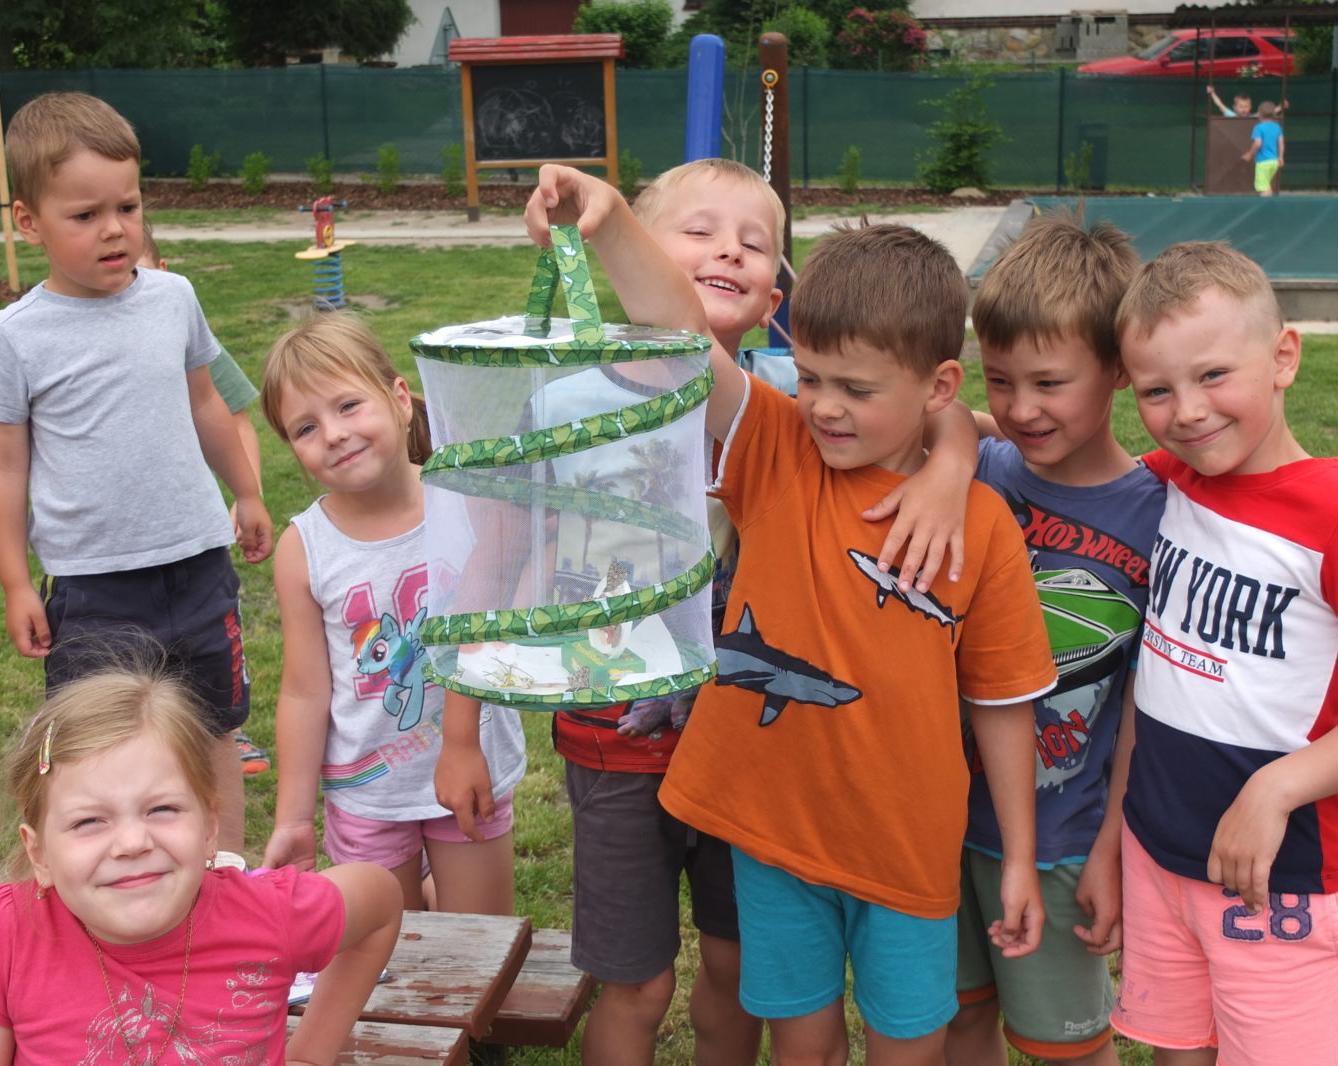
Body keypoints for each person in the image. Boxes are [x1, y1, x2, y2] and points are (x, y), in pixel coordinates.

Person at [516, 165, 1057, 1065]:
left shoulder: (982, 524)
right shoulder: (774, 448)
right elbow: (680, 335)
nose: (826, 407)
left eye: (857, 389)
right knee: (804, 1045)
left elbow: (1002, 701)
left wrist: (1021, 858)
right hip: (772, 841)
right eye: (809, 377)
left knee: (910, 1047)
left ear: (938, 387)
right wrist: (607, 221)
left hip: (907, 849)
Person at [0, 92, 271, 868]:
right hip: (94, 589)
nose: (115, 229)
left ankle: (225, 874)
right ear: (29, 223)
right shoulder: (16, 338)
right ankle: (107, 883)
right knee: (97, 748)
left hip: (198, 567)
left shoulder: (173, 298)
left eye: (128, 205)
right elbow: (9, 467)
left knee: (214, 726)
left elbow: (206, 403)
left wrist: (247, 491)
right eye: (85, 215)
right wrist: (16, 582)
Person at [940, 216, 1164, 1066]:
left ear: (1117, 368)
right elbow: (945, 417)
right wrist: (954, 449)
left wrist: (1110, 849)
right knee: (957, 1018)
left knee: (1065, 1047)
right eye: (1000, 380)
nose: (1021, 408)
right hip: (941, 820)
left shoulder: (1158, 517)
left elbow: (1145, 707)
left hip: (1065, 836)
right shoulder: (979, 470)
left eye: (1049, 382)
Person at [1111, 241, 1338, 1066]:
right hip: (1159, 851)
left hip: (1281, 877)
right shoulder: (1174, 478)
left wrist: (1279, 786)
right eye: (1157, 390)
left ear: (1283, 358)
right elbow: (1061, 458)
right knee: (1180, 1050)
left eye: (1213, 375)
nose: (1189, 410)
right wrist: (953, 443)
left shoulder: (1329, 511)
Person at [258, 312, 527, 914]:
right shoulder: (304, 548)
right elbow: (303, 692)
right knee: (390, 951)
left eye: (348, 405)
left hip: (472, 765)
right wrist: (293, 818)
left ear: (400, 399)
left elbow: (494, 642)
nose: (333, 434)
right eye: (306, 427)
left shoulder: (468, 506)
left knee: (480, 947)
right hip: (366, 792)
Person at [0, 666, 401, 1062]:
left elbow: (380, 902)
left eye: (162, 809)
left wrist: (312, 1054)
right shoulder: (10, 937)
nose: (133, 843)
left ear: (209, 828)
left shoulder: (267, 914)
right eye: (88, 821)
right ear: (39, 854)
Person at [138, 218, 271, 777]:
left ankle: (228, 731)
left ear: (163, 272)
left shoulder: (184, 334)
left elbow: (235, 417)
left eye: (140, 272)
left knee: (212, 642)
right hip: (119, 547)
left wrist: (247, 493)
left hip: (195, 535)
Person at [1242, 100, 1284, 196]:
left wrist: (1250, 154)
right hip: (1274, 162)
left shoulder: (1258, 128)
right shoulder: (1277, 127)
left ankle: (1265, 204)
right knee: (1267, 186)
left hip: (1263, 163)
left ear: (1259, 114)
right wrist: (1281, 157)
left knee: (1263, 189)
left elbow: (1257, 143)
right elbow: (1281, 143)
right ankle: (1269, 202)